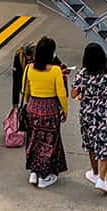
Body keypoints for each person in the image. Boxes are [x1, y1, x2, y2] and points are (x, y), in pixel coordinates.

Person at [70, 42, 107, 194]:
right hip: (104, 111)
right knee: (106, 143)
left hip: (87, 112)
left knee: (91, 143)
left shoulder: (82, 74)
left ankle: (94, 173)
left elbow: (73, 94)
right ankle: (102, 178)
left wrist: (84, 94)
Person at [23, 35, 68, 188]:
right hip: (50, 109)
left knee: (34, 140)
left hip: (33, 107)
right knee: (49, 143)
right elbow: (61, 93)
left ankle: (34, 172)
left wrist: (29, 105)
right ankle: (45, 176)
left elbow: (26, 90)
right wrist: (65, 110)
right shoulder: (55, 70)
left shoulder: (29, 68)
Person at [12, 40, 36, 109]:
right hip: (25, 84)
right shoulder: (18, 57)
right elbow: (16, 80)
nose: (29, 61)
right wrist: (15, 103)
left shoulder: (41, 55)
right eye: (27, 59)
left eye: (31, 59)